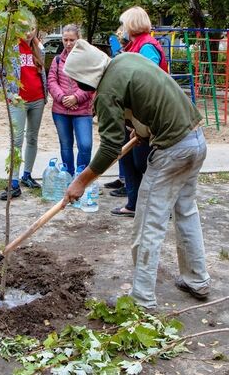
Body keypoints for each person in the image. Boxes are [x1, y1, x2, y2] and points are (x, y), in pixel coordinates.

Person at [63, 39, 210, 310]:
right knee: (186, 212)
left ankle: (142, 299)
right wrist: (142, 131)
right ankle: (197, 280)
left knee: (148, 223)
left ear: (85, 78)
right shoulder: (125, 60)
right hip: (195, 140)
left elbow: (109, 147)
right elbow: (154, 98)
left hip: (172, 151)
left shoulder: (106, 91)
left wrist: (80, 182)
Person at [111, 6, 169, 218]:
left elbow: (146, 80)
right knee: (127, 159)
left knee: (142, 161)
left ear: (132, 24)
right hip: (132, 115)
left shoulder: (147, 46)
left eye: (125, 24)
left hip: (147, 116)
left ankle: (157, 208)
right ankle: (133, 203)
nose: (123, 29)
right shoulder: (133, 45)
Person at [0, 18, 47, 200]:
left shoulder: (38, 49)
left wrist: (45, 95)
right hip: (18, 100)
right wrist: (9, 96)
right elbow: (0, 74)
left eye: (32, 29)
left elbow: (42, 72)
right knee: (16, 140)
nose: (28, 33)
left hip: (37, 99)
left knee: (33, 137)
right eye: (24, 29)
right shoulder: (11, 48)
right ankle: (13, 181)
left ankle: (27, 175)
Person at [47, 24, 92, 176]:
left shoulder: (87, 60)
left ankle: (82, 176)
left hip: (83, 110)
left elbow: (91, 82)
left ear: (78, 39)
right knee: (66, 145)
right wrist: (63, 98)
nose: (68, 43)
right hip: (61, 110)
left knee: (85, 145)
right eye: (65, 39)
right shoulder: (58, 60)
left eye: (72, 40)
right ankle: (69, 175)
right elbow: (52, 81)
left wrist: (76, 98)